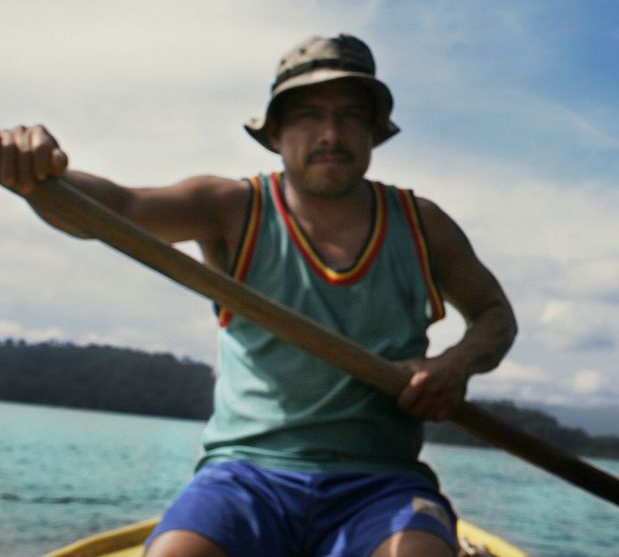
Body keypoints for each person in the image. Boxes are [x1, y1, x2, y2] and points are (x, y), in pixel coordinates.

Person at [1, 34, 518, 557]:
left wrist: (454, 365)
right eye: (309, 115)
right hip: (245, 477)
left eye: (351, 116)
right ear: (274, 133)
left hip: (382, 481)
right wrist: (38, 175)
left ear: (374, 133)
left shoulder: (421, 224)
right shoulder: (233, 208)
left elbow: (494, 314)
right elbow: (115, 210)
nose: (331, 133)